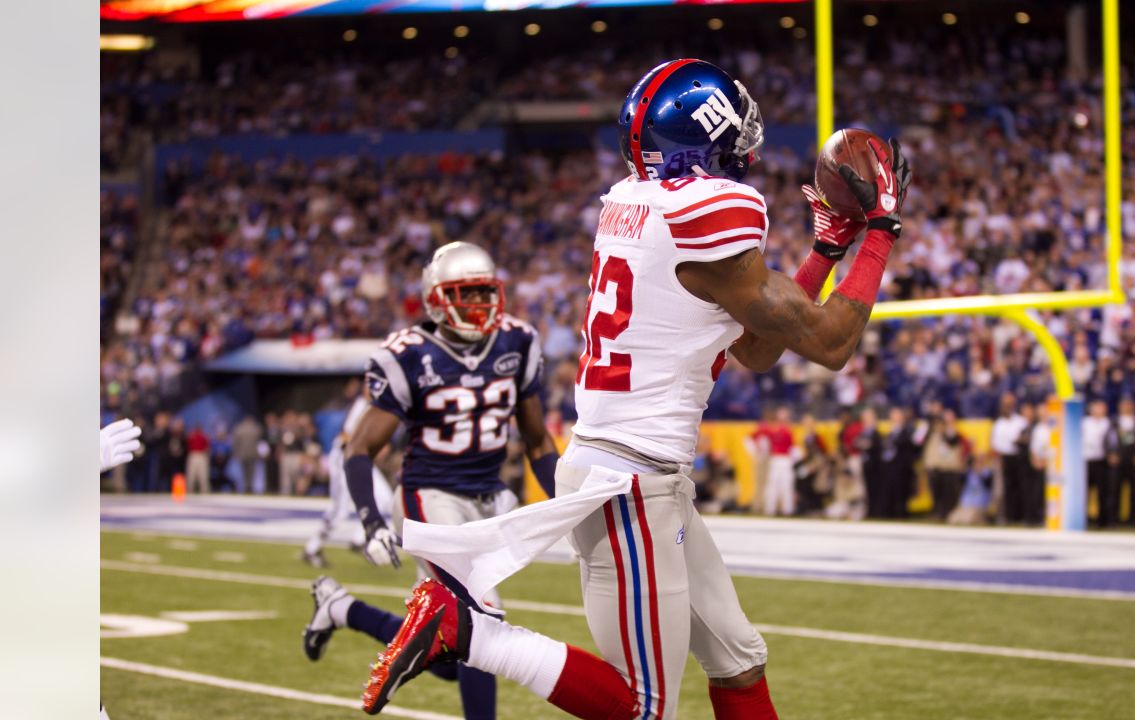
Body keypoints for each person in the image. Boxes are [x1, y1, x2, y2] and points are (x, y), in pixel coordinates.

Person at [360, 58, 911, 719]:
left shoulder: (640, 202)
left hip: (635, 472)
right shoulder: (712, 211)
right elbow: (829, 343)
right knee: (645, 708)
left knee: (738, 661)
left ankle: (467, 627)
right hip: (631, 484)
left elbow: (756, 345)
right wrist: (879, 232)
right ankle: (468, 630)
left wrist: (827, 248)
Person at [301, 241, 560, 720]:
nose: (479, 306)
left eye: (486, 293)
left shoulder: (518, 341)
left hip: (490, 502)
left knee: (453, 653)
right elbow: (359, 450)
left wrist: (566, 501)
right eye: (467, 294)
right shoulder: (408, 354)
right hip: (430, 497)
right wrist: (372, 522)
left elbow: (538, 442)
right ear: (437, 298)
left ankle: (343, 609)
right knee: (482, 623)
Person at [301, 387, 395, 568]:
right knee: (339, 510)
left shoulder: (379, 406)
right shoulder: (362, 405)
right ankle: (312, 548)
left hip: (362, 458)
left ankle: (359, 539)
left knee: (385, 498)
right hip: (346, 457)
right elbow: (347, 436)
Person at [922, 408, 968, 521]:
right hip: (935, 468)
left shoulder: (954, 433)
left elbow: (952, 441)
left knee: (949, 495)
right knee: (936, 494)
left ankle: (949, 515)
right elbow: (920, 441)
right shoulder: (933, 433)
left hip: (950, 469)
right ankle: (937, 513)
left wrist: (948, 427)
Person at [990, 393, 1028, 524]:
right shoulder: (998, 423)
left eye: (1009, 404)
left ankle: (1020, 516)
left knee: (1020, 488)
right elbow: (994, 444)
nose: (1007, 407)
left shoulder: (1021, 421)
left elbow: (1026, 438)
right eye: (1005, 404)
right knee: (1004, 489)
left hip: (1018, 458)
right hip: (1004, 458)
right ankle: (1006, 516)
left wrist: (1021, 440)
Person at [753, 407, 797, 517]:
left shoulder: (788, 432)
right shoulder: (773, 431)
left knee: (786, 485)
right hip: (776, 459)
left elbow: (792, 448)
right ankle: (771, 509)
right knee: (773, 485)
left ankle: (787, 509)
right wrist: (759, 452)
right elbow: (759, 440)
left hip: (785, 460)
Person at [1108, 398, 1135, 526]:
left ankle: (1134, 519)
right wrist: (1111, 453)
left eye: (1129, 404)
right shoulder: (1114, 421)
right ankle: (1113, 518)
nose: (1126, 407)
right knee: (1115, 490)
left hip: (1134, 459)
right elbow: (1109, 438)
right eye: (1124, 404)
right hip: (1118, 458)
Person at [1082, 400, 1115, 527]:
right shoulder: (1084, 422)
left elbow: (1112, 442)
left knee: (1103, 492)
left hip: (1101, 460)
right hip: (1086, 460)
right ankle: (1083, 518)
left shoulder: (1108, 423)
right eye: (1097, 408)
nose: (1100, 411)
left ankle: (1102, 520)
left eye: (1102, 408)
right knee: (1084, 492)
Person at [185, 424, 211, 494]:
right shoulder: (191, 436)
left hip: (201, 455)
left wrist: (206, 455)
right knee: (191, 475)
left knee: (203, 475)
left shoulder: (204, 436)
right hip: (193, 455)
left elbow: (207, 447)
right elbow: (187, 445)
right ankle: (189, 491)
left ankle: (204, 491)